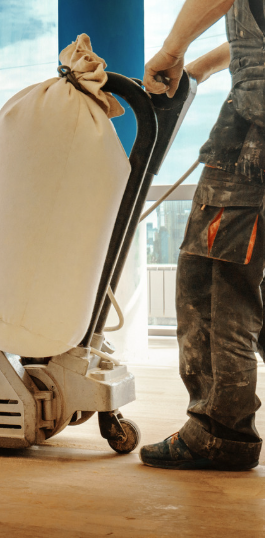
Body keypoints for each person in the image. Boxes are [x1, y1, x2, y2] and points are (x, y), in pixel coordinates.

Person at [140, 0, 264, 470]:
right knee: (252, 290)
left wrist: (171, 52)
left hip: (255, 137)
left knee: (214, 284)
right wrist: (201, 67)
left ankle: (220, 433)